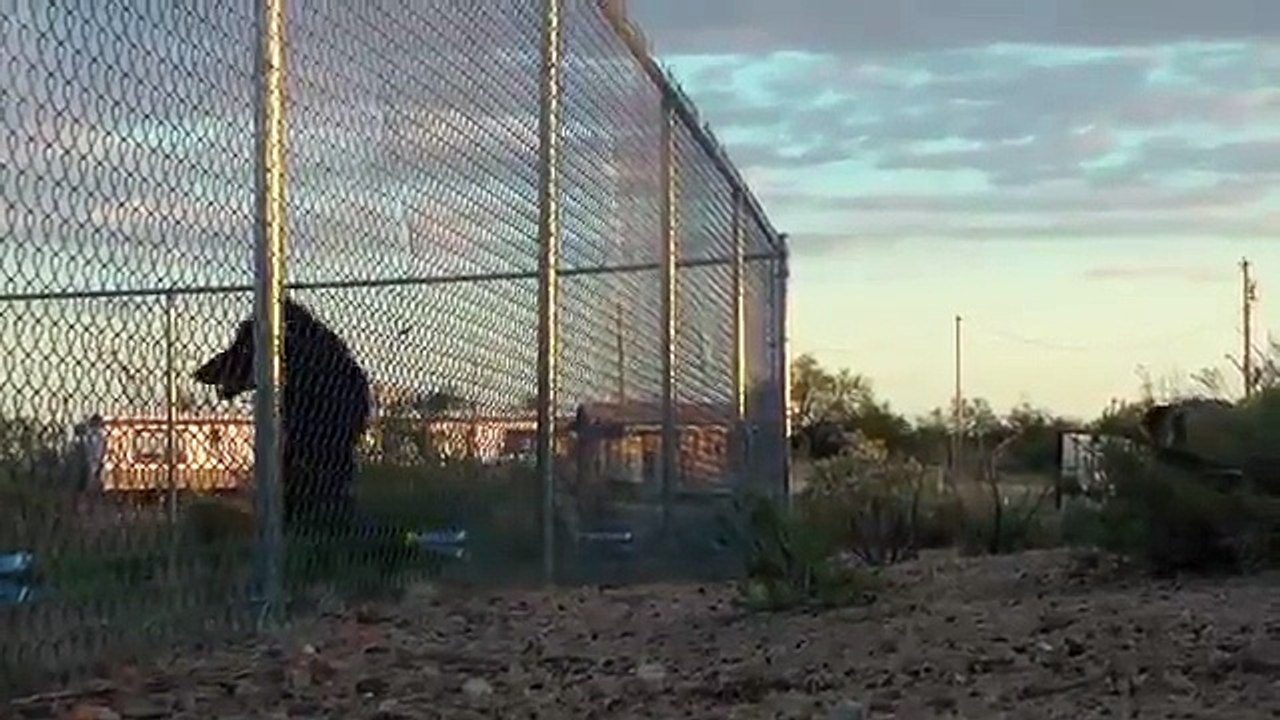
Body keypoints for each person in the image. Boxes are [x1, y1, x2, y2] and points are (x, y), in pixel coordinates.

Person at [83, 414, 107, 493]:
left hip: (96, 458)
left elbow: (103, 447)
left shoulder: (100, 434)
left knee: (95, 476)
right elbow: (89, 447)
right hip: (92, 459)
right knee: (91, 476)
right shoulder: (91, 434)